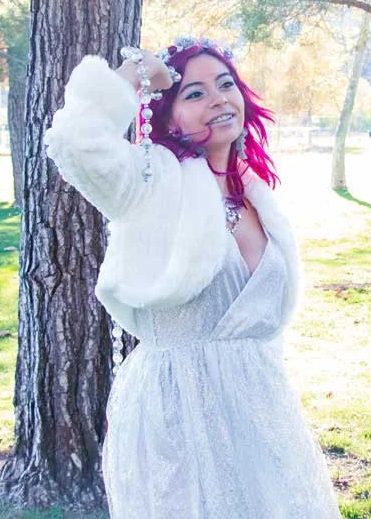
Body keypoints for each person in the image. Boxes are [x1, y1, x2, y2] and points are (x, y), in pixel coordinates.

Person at [43, 36, 341, 519]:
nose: (218, 99)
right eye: (195, 93)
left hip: (261, 412)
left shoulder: (253, 192)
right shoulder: (152, 182)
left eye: (225, 85)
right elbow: (74, 142)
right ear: (168, 116)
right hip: (178, 417)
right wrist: (139, 72)